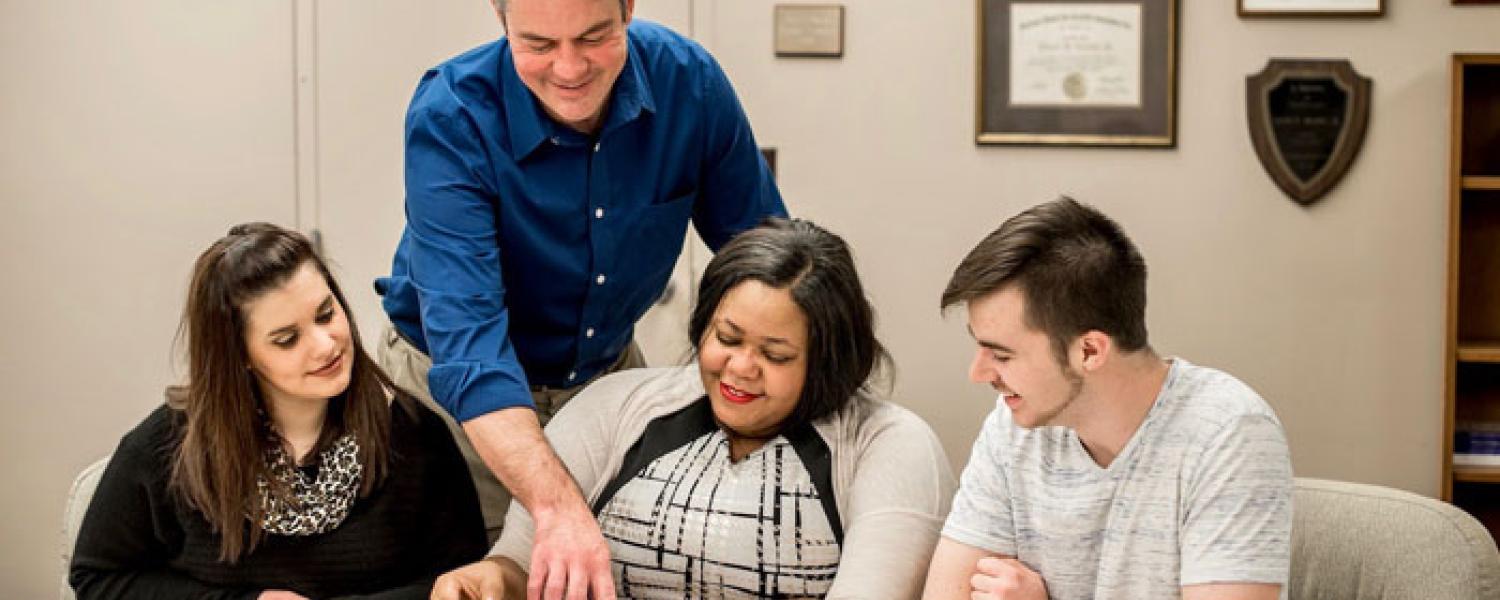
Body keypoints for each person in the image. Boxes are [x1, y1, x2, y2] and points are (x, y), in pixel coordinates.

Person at [373, 0, 786, 595]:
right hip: (453, 400)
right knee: (485, 575)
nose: (569, 68)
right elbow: (474, 354)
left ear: (629, 9)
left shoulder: (687, 84)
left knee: (636, 563)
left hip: (606, 378)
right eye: (539, 45)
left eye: (594, 37)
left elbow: (772, 260)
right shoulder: (453, 115)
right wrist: (559, 510)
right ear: (500, 17)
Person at [428, 218, 955, 600]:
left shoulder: (887, 445)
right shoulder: (617, 408)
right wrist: (489, 580)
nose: (741, 368)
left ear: (828, 360)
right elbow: (521, 567)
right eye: (726, 338)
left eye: (775, 355)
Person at [70, 223, 486, 600]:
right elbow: (98, 580)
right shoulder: (162, 450)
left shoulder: (415, 435)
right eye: (287, 339)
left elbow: (461, 581)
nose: (326, 345)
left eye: (327, 314)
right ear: (239, 358)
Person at [920, 198, 1293, 600]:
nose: (978, 374)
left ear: (1090, 352)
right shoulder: (1013, 427)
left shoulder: (1229, 433)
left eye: (1002, 355)